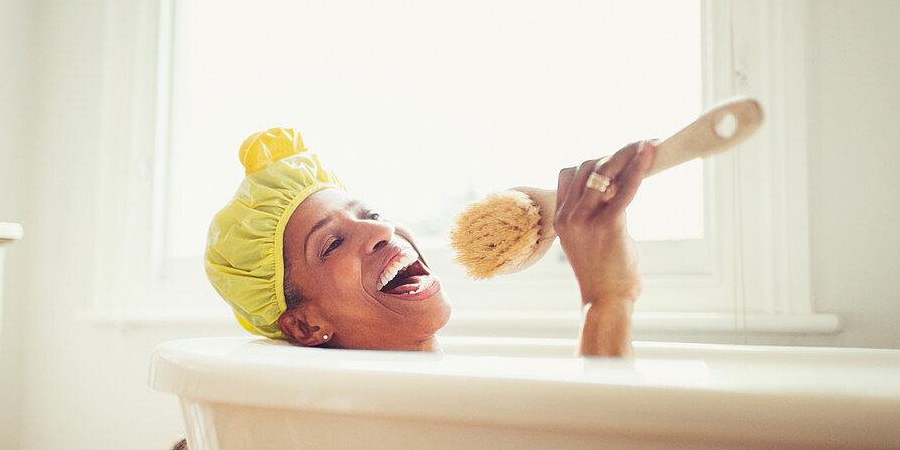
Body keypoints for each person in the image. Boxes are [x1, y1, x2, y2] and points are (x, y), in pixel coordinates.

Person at [204, 127, 655, 357]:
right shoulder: (383, 436)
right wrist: (607, 298)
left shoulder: (441, 402)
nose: (382, 231)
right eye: (332, 244)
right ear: (304, 326)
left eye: (372, 214)